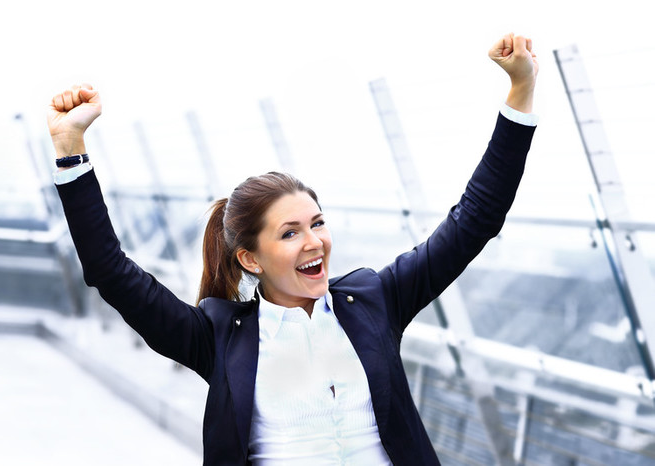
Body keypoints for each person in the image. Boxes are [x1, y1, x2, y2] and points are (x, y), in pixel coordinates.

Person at [48, 33, 538, 466]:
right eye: (290, 233)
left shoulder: (375, 300)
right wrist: (71, 147)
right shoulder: (216, 337)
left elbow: (475, 220)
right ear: (250, 258)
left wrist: (521, 88)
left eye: (317, 223)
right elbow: (110, 272)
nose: (314, 241)